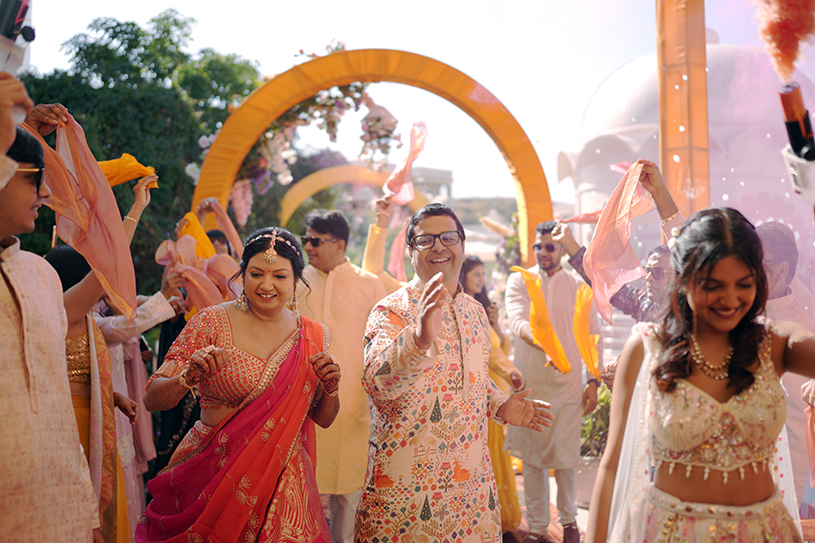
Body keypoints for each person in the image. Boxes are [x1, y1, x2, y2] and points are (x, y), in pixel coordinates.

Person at [587, 207, 815, 543]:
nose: (730, 298)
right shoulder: (648, 347)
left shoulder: (776, 344)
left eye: (744, 284)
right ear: (682, 278)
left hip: (764, 532)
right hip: (672, 532)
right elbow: (610, 469)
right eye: (713, 284)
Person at [356, 203, 555, 542]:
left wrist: (499, 405)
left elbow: (471, 373)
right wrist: (418, 339)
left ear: (462, 246)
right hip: (406, 493)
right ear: (409, 251)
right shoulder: (391, 309)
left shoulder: (475, 311)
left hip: (470, 491)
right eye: (425, 240)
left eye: (448, 237)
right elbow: (376, 382)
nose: (438, 247)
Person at [138, 227, 340, 542]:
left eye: (280, 276)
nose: (267, 285)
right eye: (257, 273)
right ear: (242, 274)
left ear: (297, 281)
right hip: (210, 475)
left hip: (283, 480)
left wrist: (330, 389)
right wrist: (186, 378)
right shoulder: (210, 322)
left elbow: (323, 419)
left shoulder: (314, 336)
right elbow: (153, 399)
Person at [0, 84, 103, 542]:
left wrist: (89, 514)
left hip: (63, 517)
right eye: (33, 176)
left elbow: (59, 413)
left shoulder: (40, 276)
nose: (45, 192)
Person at [505, 220, 603, 543]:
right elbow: (517, 319)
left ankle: (570, 521)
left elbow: (592, 336)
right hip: (529, 384)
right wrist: (541, 342)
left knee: (565, 458)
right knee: (532, 460)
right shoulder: (521, 279)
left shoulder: (579, 287)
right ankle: (536, 527)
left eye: (550, 246)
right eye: (539, 247)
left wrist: (593, 380)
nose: (544, 252)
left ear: (561, 248)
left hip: (568, 386)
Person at [297, 209, 386, 543]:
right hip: (302, 404)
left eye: (315, 240)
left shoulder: (368, 283)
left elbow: (381, 343)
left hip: (351, 405)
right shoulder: (296, 280)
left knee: (349, 494)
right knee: (299, 488)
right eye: (306, 239)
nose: (308, 246)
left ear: (340, 243)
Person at [459, 255, 524, 533]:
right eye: (476, 274)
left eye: (483, 274)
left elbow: (498, 346)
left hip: (497, 388)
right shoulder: (459, 309)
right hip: (476, 392)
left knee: (496, 452)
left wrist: (495, 324)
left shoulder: (483, 308)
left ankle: (497, 516)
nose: (481, 280)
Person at [757, 221, 815, 504]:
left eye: (756, 262)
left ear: (781, 271)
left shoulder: (805, 319)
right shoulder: (738, 308)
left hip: (790, 472)